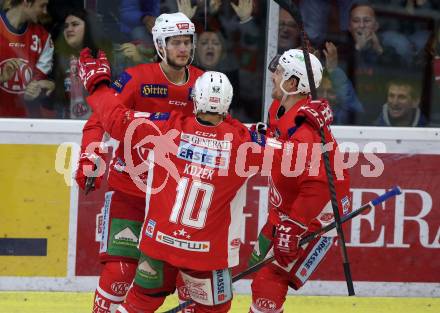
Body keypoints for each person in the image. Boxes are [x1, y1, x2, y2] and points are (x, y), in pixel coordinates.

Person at [77, 42, 333, 311]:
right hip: (206, 254)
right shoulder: (243, 145)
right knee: (215, 308)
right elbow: (301, 157)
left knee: (140, 299)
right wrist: (316, 125)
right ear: (228, 104)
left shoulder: (165, 128)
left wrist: (98, 86)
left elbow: (115, 118)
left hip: (159, 244)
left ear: (195, 100)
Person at [75, 12, 204, 313]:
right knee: (119, 274)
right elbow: (100, 120)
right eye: (175, 42)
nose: (182, 48)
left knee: (191, 282)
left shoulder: (203, 84)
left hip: (174, 200)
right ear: (160, 44)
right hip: (129, 192)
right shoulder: (136, 78)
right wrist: (90, 154)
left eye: (187, 42)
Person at [248, 49, 351, 313]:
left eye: (280, 72)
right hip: (286, 207)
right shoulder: (279, 106)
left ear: (292, 83)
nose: (273, 76)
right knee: (259, 264)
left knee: (270, 278)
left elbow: (317, 186)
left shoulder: (306, 132)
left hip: (317, 213)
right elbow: (275, 139)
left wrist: (293, 227)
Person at [0, 0, 54, 117]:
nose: (45, 11)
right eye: (42, 6)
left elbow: (41, 82)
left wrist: (38, 88)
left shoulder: (43, 37)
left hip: (27, 123)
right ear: (26, 3)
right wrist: (1, 78)